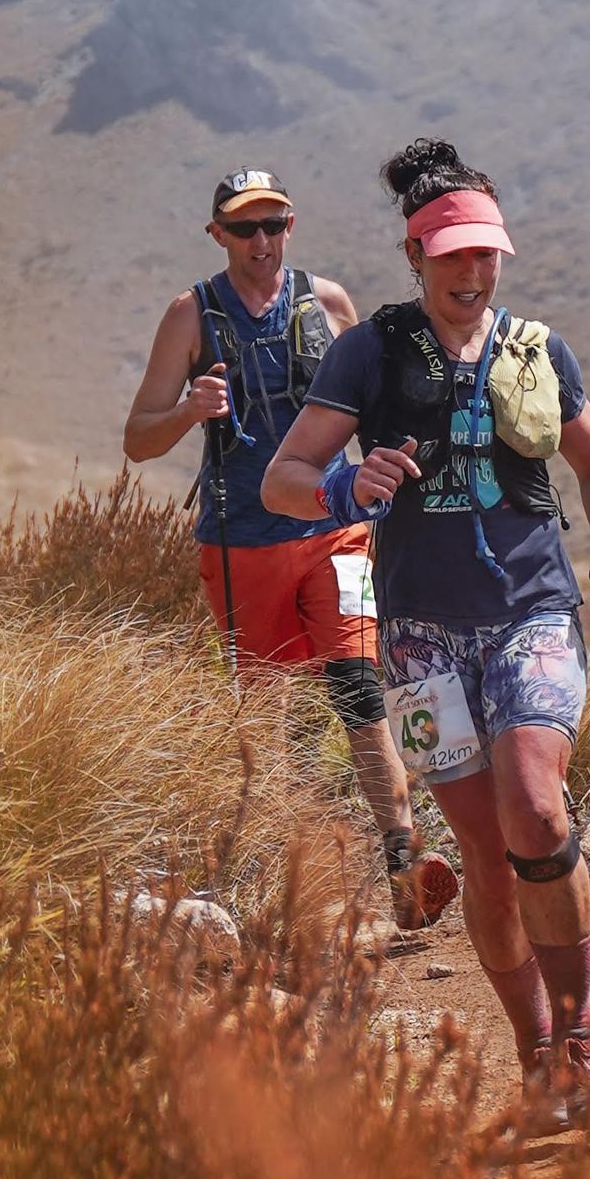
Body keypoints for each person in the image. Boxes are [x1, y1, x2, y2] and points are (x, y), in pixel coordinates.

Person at [262, 137, 590, 1131]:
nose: (475, 274)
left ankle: (582, 1037)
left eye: (489, 255)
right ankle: (537, 1064)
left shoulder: (536, 351)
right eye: (456, 256)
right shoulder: (372, 352)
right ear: (418, 257)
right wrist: (348, 485)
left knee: (536, 813)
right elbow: (282, 479)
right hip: (422, 639)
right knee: (482, 854)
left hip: (531, 614)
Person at [123, 166, 439, 906]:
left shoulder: (327, 303)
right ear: (217, 235)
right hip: (242, 547)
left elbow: (374, 418)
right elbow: (138, 439)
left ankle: (405, 862)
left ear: (290, 227)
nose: (261, 241)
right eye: (244, 228)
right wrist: (187, 411)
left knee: (359, 684)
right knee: (268, 712)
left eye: (275, 224)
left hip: (338, 534)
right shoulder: (191, 316)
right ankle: (285, 874)